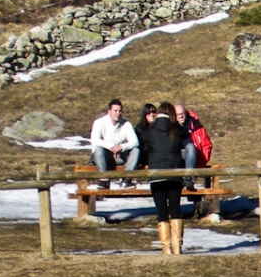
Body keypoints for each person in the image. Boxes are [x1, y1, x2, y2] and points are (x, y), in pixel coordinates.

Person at [138, 101, 192, 256]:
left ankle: (166, 247)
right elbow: (186, 138)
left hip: (157, 174)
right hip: (174, 173)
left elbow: (143, 144)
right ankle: (177, 246)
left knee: (162, 211)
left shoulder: (150, 131)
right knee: (175, 208)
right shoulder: (176, 129)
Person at [89, 99, 139, 183]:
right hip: (103, 157)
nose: (118, 113)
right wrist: (111, 146)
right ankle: (103, 180)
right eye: (115, 111)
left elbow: (135, 142)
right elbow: (94, 140)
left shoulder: (126, 124)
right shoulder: (99, 122)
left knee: (136, 150)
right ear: (109, 111)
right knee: (98, 149)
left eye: (120, 111)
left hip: (119, 157)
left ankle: (127, 179)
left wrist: (121, 147)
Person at [174, 104, 212, 190]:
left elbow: (206, 145)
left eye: (182, 113)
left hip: (194, 158)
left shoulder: (196, 125)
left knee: (190, 147)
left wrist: (200, 163)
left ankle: (189, 179)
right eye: (178, 114)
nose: (181, 116)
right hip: (176, 159)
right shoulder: (170, 127)